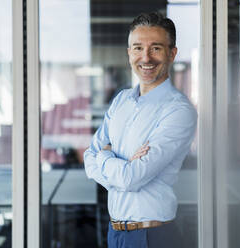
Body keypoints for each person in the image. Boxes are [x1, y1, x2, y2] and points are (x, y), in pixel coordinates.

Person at [83, 12, 197, 248]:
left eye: (156, 48)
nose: (146, 57)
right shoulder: (121, 100)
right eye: (137, 48)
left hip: (151, 237)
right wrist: (120, 167)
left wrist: (105, 156)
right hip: (116, 231)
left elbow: (130, 178)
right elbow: (88, 159)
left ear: (172, 53)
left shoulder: (178, 110)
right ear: (129, 53)